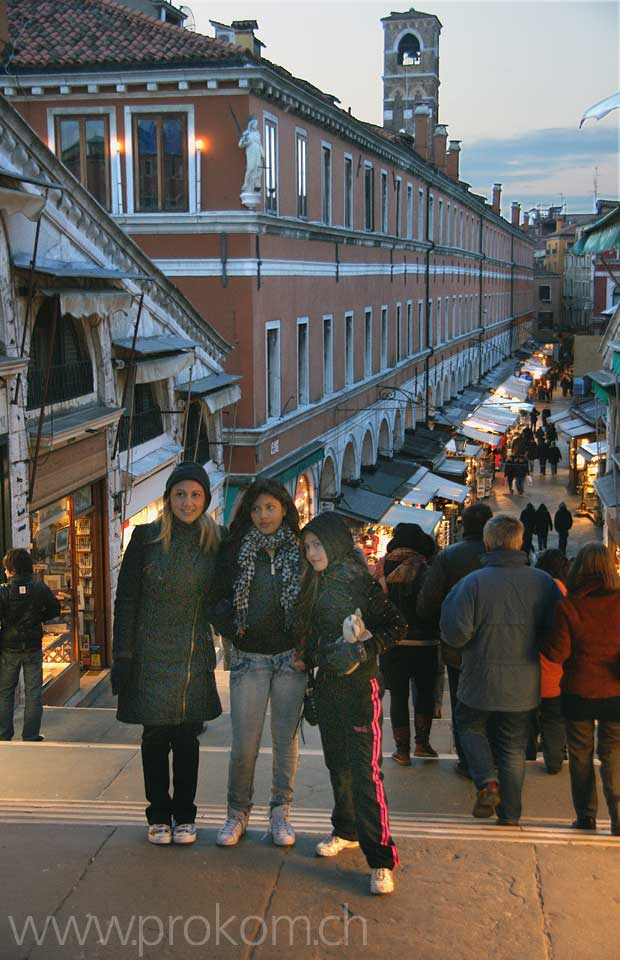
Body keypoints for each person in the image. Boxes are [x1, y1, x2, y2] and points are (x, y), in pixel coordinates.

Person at [112, 462, 222, 846]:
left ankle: (185, 815)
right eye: (180, 494)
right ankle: (159, 814)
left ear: (205, 499)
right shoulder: (144, 538)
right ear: (168, 498)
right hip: (148, 654)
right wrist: (122, 657)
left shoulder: (216, 540)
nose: (187, 503)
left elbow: (224, 598)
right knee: (155, 736)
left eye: (195, 495)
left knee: (187, 737)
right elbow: (125, 601)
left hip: (192, 652)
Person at [297, 512, 405, 895]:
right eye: (307, 546)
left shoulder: (361, 584)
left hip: (361, 689)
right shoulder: (312, 582)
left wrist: (364, 648)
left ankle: (381, 859)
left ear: (335, 543)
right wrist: (308, 655)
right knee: (338, 766)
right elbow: (311, 633)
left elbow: (396, 626)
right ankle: (346, 830)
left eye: (317, 544)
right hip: (327, 688)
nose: (312, 553)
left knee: (365, 772)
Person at [440, 515, 562, 826]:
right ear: (520, 542)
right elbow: (557, 633)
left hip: (478, 678)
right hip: (524, 682)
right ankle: (510, 814)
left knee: (470, 726)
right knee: (512, 745)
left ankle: (487, 782)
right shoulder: (543, 582)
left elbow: (455, 633)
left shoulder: (472, 583)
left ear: (488, 543)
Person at [211, 480, 307, 848]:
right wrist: (232, 627)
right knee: (244, 744)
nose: (263, 515)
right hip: (249, 659)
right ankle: (237, 812)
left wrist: (305, 645)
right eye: (256, 509)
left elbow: (313, 598)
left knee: (285, 741)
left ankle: (281, 811)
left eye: (270, 507)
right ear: (247, 514)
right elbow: (215, 595)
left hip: (289, 659)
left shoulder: (300, 549)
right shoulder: (235, 549)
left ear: (284, 508)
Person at [541, 543, 620, 835]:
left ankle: (586, 816)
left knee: (580, 755)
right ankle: (618, 816)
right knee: (613, 753)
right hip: (615, 692)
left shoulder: (569, 605)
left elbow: (557, 654)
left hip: (579, 692)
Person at [417, 503, 493, 778]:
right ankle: (491, 757)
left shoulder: (449, 556)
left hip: (457, 644)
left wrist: (442, 622)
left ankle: (467, 758)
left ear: (463, 526)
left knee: (463, 700)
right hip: (498, 644)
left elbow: (428, 600)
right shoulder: (502, 555)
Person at [374, 524, 439, 765]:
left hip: (393, 644)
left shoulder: (381, 566)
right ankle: (423, 743)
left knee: (399, 697)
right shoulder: (426, 567)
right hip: (426, 642)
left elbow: (374, 604)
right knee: (424, 694)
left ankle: (402, 751)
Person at [0, 548, 60, 742]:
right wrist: (37, 619)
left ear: (10, 569)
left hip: (9, 648)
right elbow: (54, 609)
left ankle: (3, 733)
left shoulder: (3, 591)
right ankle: (31, 734)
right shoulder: (40, 589)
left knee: (5, 692)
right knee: (34, 692)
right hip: (33, 646)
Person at [533, 550, 569, 774]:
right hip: (556, 672)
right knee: (554, 719)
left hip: (527, 672)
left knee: (525, 722)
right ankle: (554, 759)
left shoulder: (532, 592)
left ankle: (526, 758)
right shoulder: (568, 595)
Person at [238, 116, 265, 194]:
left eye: (257, 124)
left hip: (258, 152)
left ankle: (255, 186)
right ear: (251, 124)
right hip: (251, 152)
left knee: (258, 169)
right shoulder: (246, 133)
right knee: (251, 168)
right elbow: (240, 144)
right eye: (255, 123)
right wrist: (245, 141)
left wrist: (263, 154)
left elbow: (259, 144)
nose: (256, 125)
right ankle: (246, 185)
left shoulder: (257, 134)